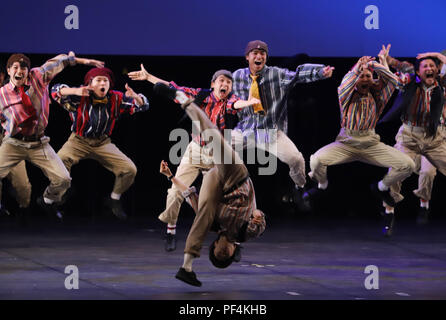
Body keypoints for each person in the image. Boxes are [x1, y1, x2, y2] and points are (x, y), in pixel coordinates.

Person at [128, 65, 259, 251]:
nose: (225, 85)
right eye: (222, 81)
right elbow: (174, 89)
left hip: (219, 157)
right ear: (213, 84)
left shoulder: (231, 101)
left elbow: (235, 104)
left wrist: (248, 103)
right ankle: (170, 232)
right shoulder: (202, 96)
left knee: (232, 198)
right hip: (195, 150)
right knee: (175, 191)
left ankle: (234, 240)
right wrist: (149, 77)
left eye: (229, 83)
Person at [154, 82, 266, 287]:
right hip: (236, 178)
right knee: (213, 135)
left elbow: (188, 193)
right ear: (233, 251)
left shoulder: (214, 225)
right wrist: (257, 221)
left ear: (213, 246)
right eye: (227, 256)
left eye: (218, 255)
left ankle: (186, 267)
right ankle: (181, 98)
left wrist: (171, 176)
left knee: (204, 212)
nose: (223, 253)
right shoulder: (244, 233)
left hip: (214, 183)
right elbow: (258, 221)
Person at [305, 50, 415, 236]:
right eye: (361, 76)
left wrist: (376, 66)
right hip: (346, 143)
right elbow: (345, 83)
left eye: (368, 77)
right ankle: (322, 186)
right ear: (356, 79)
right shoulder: (346, 95)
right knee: (316, 160)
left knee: (408, 165)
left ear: (373, 80)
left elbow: (393, 82)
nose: (365, 79)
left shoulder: (378, 97)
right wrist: (358, 68)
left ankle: (381, 188)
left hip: (370, 143)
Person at [231, 40, 335, 209]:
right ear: (247, 57)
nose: (259, 57)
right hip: (246, 131)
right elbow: (217, 95)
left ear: (266, 57)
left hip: (271, 132)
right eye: (255, 54)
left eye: (262, 54)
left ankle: (299, 188)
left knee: (296, 159)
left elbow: (298, 74)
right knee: (216, 149)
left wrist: (320, 72)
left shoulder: (276, 75)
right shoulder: (236, 77)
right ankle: (210, 186)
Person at [0, 52, 104, 220]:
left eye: (24, 68)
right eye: (15, 68)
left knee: (64, 179)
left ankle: (48, 200)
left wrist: (81, 60)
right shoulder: (2, 94)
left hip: (39, 143)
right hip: (13, 143)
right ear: (9, 70)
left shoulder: (38, 76)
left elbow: (59, 61)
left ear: (28, 71)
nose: (20, 71)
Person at [51, 67, 150, 220]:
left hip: (103, 142)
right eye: (98, 80)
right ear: (90, 84)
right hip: (78, 140)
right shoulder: (80, 95)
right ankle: (60, 196)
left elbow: (143, 106)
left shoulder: (116, 98)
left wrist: (136, 97)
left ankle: (114, 199)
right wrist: (74, 91)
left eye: (105, 81)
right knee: (60, 161)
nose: (102, 83)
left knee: (129, 169)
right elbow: (55, 90)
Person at [379, 50, 446, 231]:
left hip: (435, 138)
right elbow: (396, 76)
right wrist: (386, 60)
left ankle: (424, 205)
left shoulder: (442, 84)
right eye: (425, 66)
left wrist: (437, 56)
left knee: (428, 173)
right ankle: (389, 212)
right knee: (397, 170)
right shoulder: (409, 82)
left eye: (433, 66)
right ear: (418, 72)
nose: (429, 68)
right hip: (409, 136)